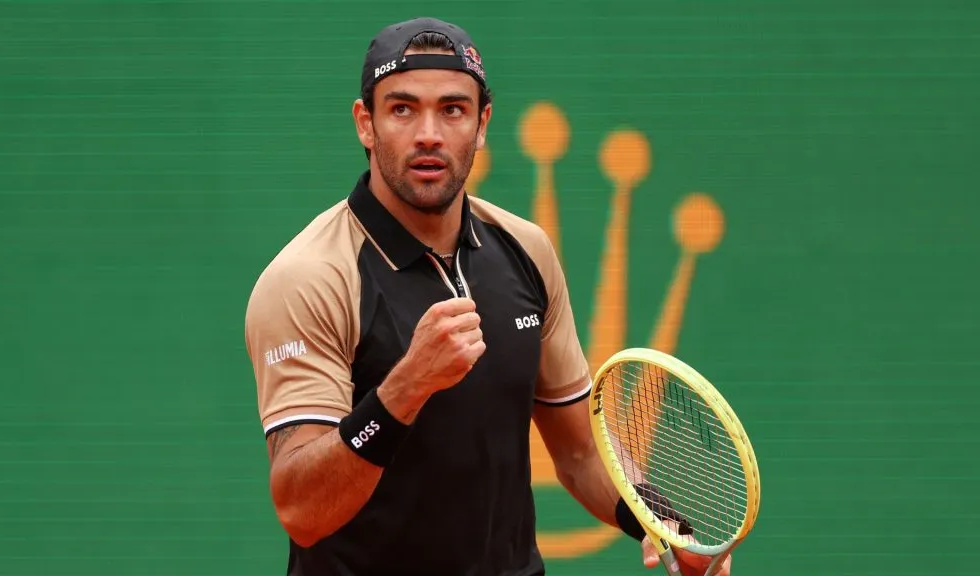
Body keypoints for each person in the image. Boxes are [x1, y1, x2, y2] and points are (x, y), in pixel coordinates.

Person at [244, 16, 734, 576]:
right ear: (366, 124)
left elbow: (577, 453)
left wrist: (663, 525)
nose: (428, 133)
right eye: (402, 109)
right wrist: (405, 388)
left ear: (481, 124)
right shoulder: (309, 278)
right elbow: (302, 508)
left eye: (452, 110)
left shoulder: (526, 251)